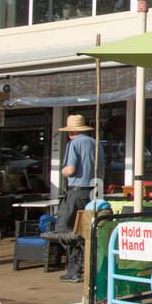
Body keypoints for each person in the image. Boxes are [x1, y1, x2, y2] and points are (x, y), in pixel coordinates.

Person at [55, 114, 97, 282]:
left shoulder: (73, 144)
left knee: (64, 229)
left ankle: (75, 270)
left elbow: (71, 169)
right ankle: (90, 267)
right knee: (88, 231)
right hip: (93, 191)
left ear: (70, 131)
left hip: (77, 190)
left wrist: (63, 171)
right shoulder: (95, 143)